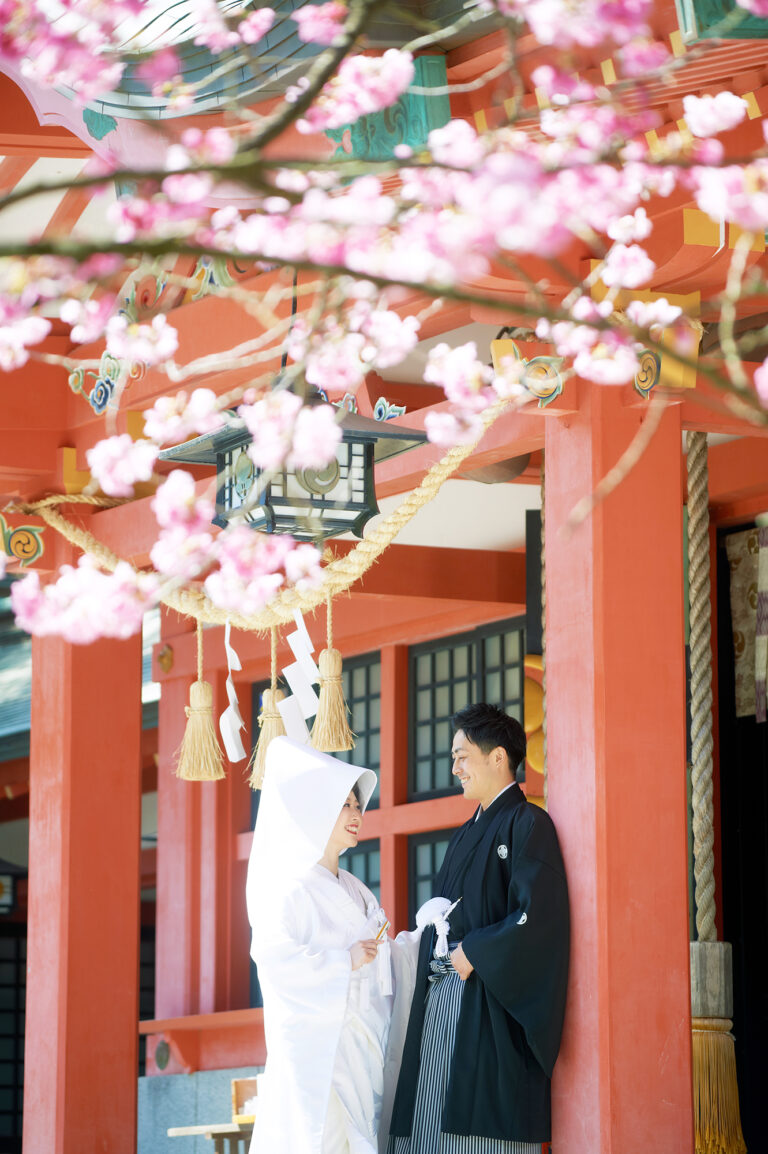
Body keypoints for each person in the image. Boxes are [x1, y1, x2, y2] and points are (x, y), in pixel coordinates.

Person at [387, 703, 570, 1154]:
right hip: (441, 996)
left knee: (474, 1131)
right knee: (427, 1123)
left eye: (462, 755)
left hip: (488, 1004)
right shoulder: (465, 833)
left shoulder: (529, 824)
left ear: (498, 758)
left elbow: (537, 918)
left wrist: (475, 953)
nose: (454, 767)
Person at [246, 736, 419, 1154]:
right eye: (346, 805)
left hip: (365, 1049)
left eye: (358, 805)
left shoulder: (358, 890)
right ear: (317, 811)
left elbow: (383, 956)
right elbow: (274, 963)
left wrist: (420, 941)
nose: (357, 814)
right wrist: (343, 962)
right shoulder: (291, 891)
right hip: (323, 1054)